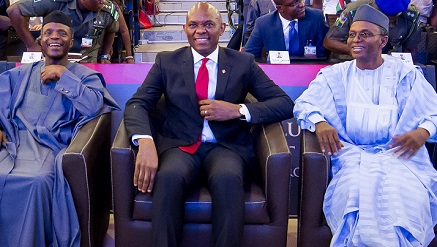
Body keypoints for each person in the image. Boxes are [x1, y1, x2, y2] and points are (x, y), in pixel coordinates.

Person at [123, 2, 294, 246]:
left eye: (208, 24)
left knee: (228, 179)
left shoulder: (242, 62)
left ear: (222, 28)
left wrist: (237, 110)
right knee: (168, 177)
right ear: (185, 29)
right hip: (180, 147)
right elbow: (137, 103)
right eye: (193, 25)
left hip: (226, 147)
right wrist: (145, 142)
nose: (200, 30)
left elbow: (284, 103)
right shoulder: (166, 62)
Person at [294, 4, 437, 246]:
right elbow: (304, 104)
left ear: (383, 41)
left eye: (364, 34)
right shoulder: (334, 76)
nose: (355, 40)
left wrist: (423, 132)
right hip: (352, 156)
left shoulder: (406, 74)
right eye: (352, 34)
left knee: (404, 198)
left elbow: (433, 110)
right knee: (354, 198)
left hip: (400, 157)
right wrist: (319, 123)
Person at [0, 10, 119, 246]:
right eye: (48, 33)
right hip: (14, 144)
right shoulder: (20, 74)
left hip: (51, 146)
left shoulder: (85, 76)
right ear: (41, 40)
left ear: (71, 40)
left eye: (62, 33)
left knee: (38, 180)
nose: (55, 37)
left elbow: (95, 106)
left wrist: (65, 77)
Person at [7, 0, 119, 63]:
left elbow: (111, 30)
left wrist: (105, 55)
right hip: (50, 57)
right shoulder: (57, 2)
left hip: (87, 60)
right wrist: (31, 45)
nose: (102, 1)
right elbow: (14, 11)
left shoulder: (108, 9)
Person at [323, 0, 421, 59]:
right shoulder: (354, 11)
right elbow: (329, 42)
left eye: (391, 19)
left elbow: (411, 49)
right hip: (351, 60)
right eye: (382, 16)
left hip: (388, 64)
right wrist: (359, 51)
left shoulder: (410, 17)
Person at [244, 0, 329, 61]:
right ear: (280, 8)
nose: (301, 5)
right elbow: (249, 55)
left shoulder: (316, 17)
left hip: (309, 72)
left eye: (301, 0)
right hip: (277, 74)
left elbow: (323, 54)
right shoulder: (263, 24)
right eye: (295, 3)